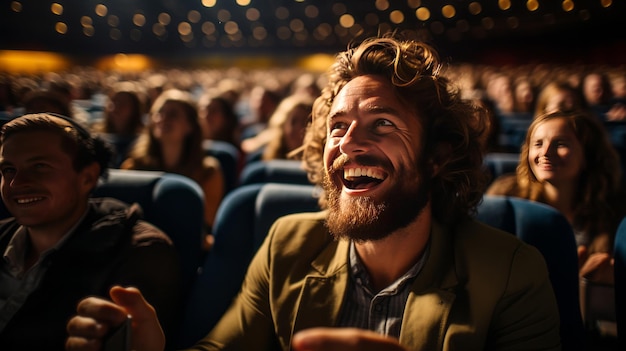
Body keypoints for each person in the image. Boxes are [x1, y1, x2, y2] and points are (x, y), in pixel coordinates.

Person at [65, 36, 560, 351]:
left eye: (382, 124)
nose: (349, 143)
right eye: (339, 127)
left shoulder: (512, 271)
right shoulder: (286, 245)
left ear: (437, 157)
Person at [0, 113, 181, 350]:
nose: (16, 183)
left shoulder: (141, 250)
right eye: (8, 170)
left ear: (87, 178)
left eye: (39, 167)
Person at [486, 110, 626, 281]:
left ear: (588, 155)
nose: (545, 153)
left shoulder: (613, 209)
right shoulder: (505, 195)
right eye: (537, 144)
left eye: (560, 144)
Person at [120, 88, 224, 234]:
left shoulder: (208, 172)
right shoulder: (133, 167)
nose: (163, 118)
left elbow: (204, 226)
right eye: (159, 113)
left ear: (190, 126)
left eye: (173, 114)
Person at [92, 81, 147, 167]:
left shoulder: (143, 141)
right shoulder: (96, 136)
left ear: (135, 109)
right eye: (114, 101)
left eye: (123, 103)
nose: (117, 106)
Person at [261, 93, 314, 161]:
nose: (299, 128)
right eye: (293, 122)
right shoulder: (268, 166)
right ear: (282, 125)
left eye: (306, 122)